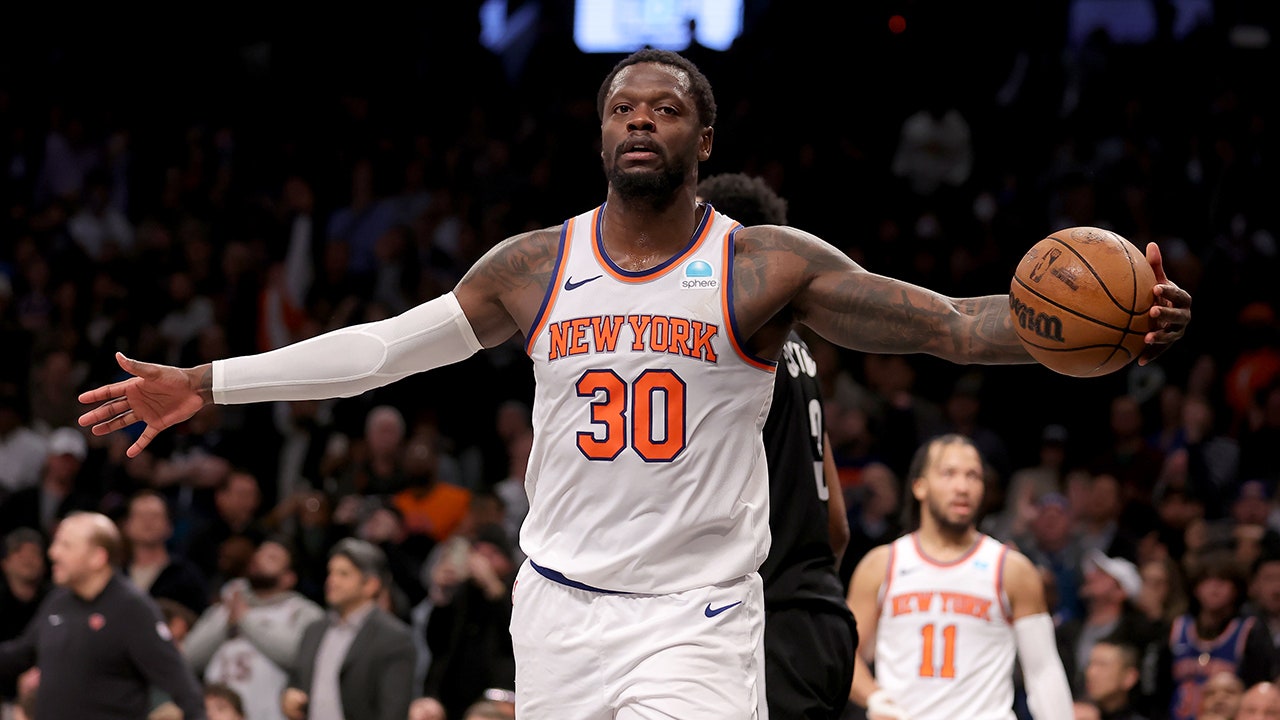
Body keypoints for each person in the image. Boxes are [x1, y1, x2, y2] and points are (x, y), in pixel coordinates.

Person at [76, 49, 1192, 719]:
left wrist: (1113, 329)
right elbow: (379, 351)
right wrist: (210, 383)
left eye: (664, 108)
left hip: (698, 615)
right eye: (622, 108)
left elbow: (954, 327)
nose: (640, 120)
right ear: (600, 134)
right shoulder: (532, 266)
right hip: (558, 605)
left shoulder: (763, 266)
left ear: (703, 138)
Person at [698, 170, 857, 719]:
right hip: (822, 616)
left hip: (765, 618)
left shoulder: (733, 352)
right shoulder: (798, 352)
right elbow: (837, 525)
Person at [846, 434, 1074, 720]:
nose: (963, 487)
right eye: (949, 473)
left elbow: (1044, 671)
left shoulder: (1012, 569)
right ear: (919, 486)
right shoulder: (882, 565)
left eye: (973, 476)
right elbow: (845, 655)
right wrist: (875, 698)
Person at [0, 511, 206, 719]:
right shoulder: (58, 601)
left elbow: (182, 687)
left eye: (66, 545)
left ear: (97, 558)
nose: (53, 553)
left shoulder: (132, 609)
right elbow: (20, 655)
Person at [183, 536, 325, 720]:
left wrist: (245, 619)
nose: (259, 560)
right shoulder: (224, 609)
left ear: (289, 578)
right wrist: (227, 622)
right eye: (258, 555)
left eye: (272, 558)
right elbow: (188, 657)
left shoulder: (302, 610)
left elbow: (297, 655)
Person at [281, 537, 416, 720]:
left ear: (370, 585)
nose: (332, 581)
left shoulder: (394, 638)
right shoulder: (314, 630)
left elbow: (393, 711)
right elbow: (295, 681)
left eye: (343, 574)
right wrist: (288, 696)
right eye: (331, 572)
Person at [1083, 637, 1152, 720]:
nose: (1091, 672)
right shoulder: (1077, 713)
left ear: (1129, 677)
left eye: (1102, 665)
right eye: (1090, 663)